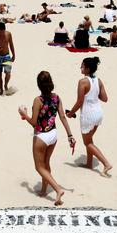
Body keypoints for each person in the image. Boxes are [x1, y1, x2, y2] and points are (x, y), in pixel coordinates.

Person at [18, 71, 75, 206]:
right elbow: (62, 117)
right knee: (46, 163)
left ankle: (57, 189)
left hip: (42, 136)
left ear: (39, 85)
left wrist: (23, 114)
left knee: (39, 167)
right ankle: (44, 190)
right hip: (53, 134)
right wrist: (70, 135)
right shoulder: (57, 97)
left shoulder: (38, 100)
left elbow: (34, 122)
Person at [66, 57, 112, 176]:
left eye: (82, 66)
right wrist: (94, 93)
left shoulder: (82, 82)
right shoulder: (99, 80)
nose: (80, 68)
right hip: (98, 113)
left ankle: (106, 163)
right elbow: (105, 98)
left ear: (87, 68)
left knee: (87, 143)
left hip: (88, 115)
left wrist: (70, 113)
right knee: (89, 139)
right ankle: (89, 163)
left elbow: (79, 101)